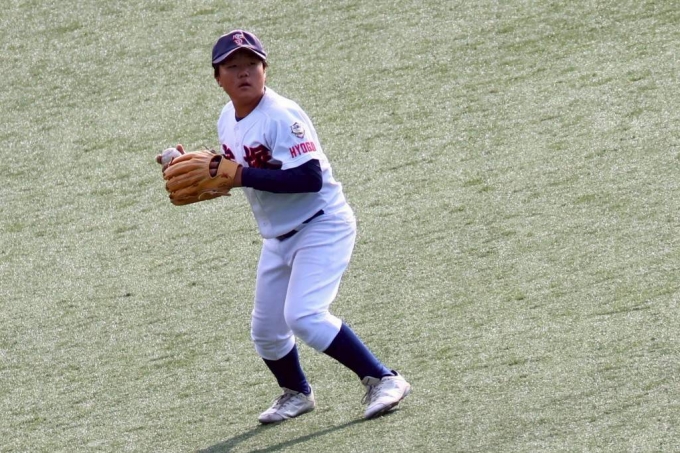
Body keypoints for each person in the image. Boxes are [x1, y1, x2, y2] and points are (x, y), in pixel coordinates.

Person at [204, 29, 411, 424]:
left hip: (322, 226)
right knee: (266, 331)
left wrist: (239, 176)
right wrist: (205, 168)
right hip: (278, 237)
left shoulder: (282, 115)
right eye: (233, 66)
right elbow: (242, 169)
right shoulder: (227, 118)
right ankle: (297, 393)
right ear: (218, 78)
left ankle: (384, 379)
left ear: (265, 70)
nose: (244, 72)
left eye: (252, 64)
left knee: (304, 315)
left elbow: (309, 178)